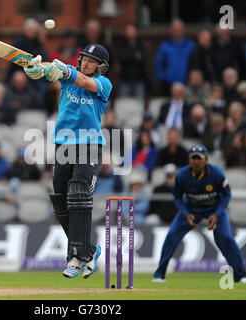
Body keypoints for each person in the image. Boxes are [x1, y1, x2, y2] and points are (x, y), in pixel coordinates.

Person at [24, 42, 112, 279]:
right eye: (84, 58)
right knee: (61, 203)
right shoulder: (66, 77)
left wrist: (64, 71)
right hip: (63, 144)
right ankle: (90, 250)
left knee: (79, 192)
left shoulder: (103, 84)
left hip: (89, 145)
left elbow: (82, 81)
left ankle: (76, 257)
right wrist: (35, 66)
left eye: (92, 61)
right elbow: (49, 69)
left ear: (100, 67)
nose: (86, 63)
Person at [152, 145, 246, 283]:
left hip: (215, 209)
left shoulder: (217, 173)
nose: (196, 162)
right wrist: (186, 213)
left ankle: (241, 275)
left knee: (226, 238)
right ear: (189, 160)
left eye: (199, 158)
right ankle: (159, 274)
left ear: (206, 160)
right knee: (171, 236)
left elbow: (227, 195)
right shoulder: (182, 175)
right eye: (193, 158)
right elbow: (178, 198)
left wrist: (217, 213)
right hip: (191, 209)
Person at [155, 19, 195, 94]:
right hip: (169, 83)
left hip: (186, 83)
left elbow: (195, 63)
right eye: (175, 29)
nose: (177, 31)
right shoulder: (165, 46)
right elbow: (159, 63)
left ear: (183, 30)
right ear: (171, 31)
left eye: (179, 29)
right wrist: (162, 78)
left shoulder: (190, 45)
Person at [117, 24, 147, 99]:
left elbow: (143, 59)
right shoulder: (122, 45)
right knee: (124, 104)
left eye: (132, 30)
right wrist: (134, 56)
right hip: (125, 80)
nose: (130, 32)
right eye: (128, 30)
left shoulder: (140, 45)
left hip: (139, 80)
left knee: (139, 105)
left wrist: (129, 56)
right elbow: (122, 58)